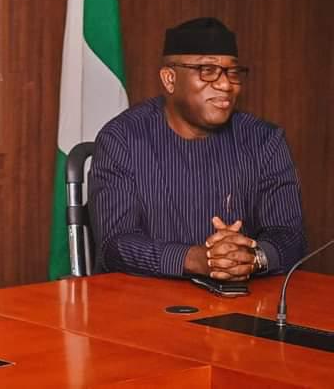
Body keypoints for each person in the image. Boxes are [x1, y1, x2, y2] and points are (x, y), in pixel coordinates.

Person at [90, 17, 305, 281]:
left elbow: (290, 235)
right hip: (145, 303)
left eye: (233, 72)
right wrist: (194, 259)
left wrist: (253, 258)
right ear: (170, 79)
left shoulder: (264, 141)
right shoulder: (121, 139)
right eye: (207, 70)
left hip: (245, 303)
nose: (226, 85)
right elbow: (116, 244)